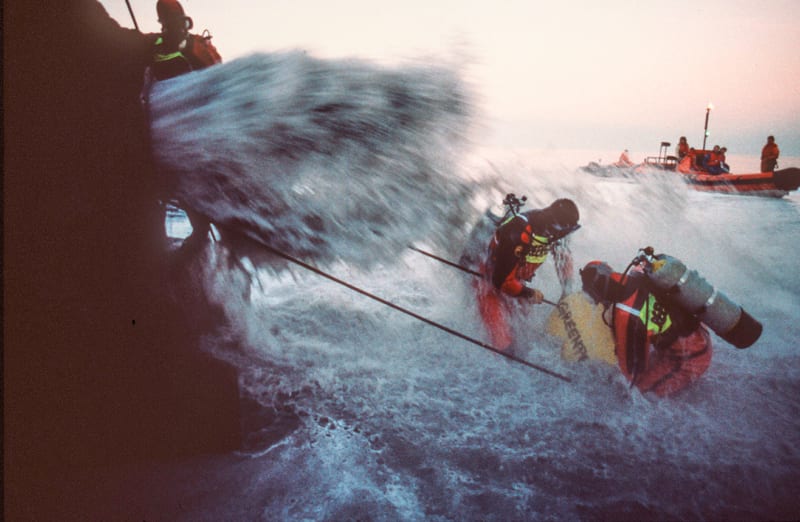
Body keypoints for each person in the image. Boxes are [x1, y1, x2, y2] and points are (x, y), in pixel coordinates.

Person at [149, 0, 223, 247]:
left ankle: (209, 231)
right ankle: (186, 235)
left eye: (174, 21)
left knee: (198, 182)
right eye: (165, 22)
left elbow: (217, 74)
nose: (169, 27)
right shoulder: (155, 45)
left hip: (199, 126)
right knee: (171, 184)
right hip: (173, 129)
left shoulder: (198, 46)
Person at [578, 259, 712, 396]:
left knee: (638, 392)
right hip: (699, 334)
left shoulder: (625, 315)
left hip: (691, 359)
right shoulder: (637, 274)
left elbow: (630, 375)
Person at [476, 197, 581, 352]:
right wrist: (529, 293)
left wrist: (567, 290)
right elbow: (501, 281)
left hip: (516, 285)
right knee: (506, 348)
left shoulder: (555, 232)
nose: (565, 236)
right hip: (488, 286)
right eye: (564, 232)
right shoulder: (518, 232)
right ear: (554, 226)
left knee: (529, 339)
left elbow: (563, 257)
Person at [151, 0, 222, 81]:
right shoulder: (155, 45)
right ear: (164, 27)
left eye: (182, 24)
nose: (181, 30)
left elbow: (217, 70)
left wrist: (189, 48)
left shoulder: (199, 43)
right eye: (173, 25)